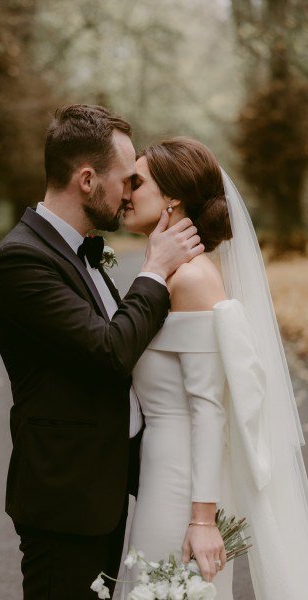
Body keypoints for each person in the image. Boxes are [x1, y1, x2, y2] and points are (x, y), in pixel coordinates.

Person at [0, 105, 204, 600]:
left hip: (103, 493)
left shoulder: (78, 251)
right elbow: (110, 351)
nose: (130, 193)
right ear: (87, 180)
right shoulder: (21, 260)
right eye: (126, 180)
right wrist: (154, 271)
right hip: (65, 504)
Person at [120, 137, 308, 599]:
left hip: (181, 483)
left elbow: (209, 408)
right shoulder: (168, 273)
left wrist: (202, 521)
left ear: (172, 197)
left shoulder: (193, 279)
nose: (124, 192)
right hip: (161, 470)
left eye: (136, 182)